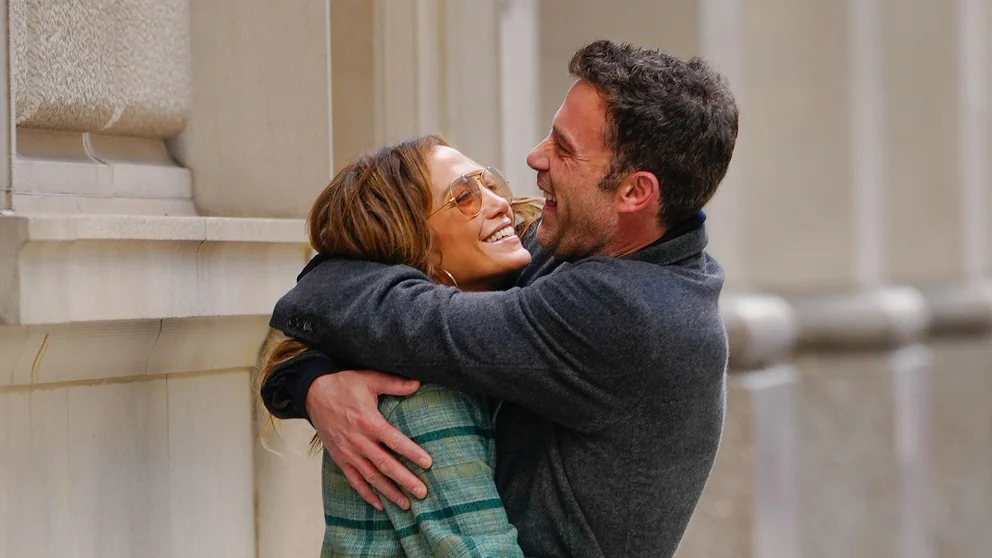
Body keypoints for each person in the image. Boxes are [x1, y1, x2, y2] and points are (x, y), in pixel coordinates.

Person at [263, 40, 739, 557]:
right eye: (465, 195)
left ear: (634, 192)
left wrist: (310, 382)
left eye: (564, 148)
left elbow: (394, 316)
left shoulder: (626, 310)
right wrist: (314, 384)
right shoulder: (589, 244)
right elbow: (351, 285)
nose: (535, 157)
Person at [257, 134, 544, 557]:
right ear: (417, 247)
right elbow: (480, 549)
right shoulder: (420, 389)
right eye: (464, 196)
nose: (501, 203)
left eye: (490, 184)